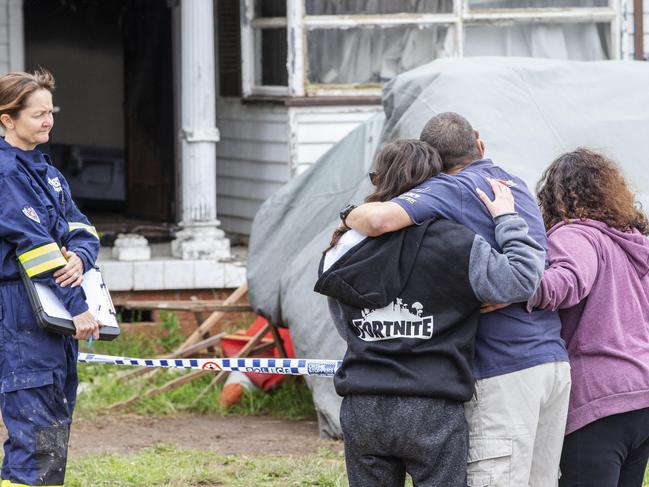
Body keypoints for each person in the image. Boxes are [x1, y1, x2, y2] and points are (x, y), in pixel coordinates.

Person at [344, 113, 571, 486]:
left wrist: (347, 215)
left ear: (432, 162)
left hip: (501, 366)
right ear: (479, 143)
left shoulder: (450, 188)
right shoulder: (513, 183)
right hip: (549, 359)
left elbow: (379, 221)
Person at [0, 70, 100, 486]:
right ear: (7, 119)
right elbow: (36, 248)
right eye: (38, 114)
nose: (48, 121)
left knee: (51, 425)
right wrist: (79, 310)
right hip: (22, 312)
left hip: (50, 308)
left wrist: (79, 255)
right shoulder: (5, 176)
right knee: (36, 436)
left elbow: (83, 228)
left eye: (50, 112)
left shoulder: (48, 173)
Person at [528, 148, 649, 487]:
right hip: (640, 395)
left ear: (557, 196)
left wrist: (511, 283)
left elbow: (564, 282)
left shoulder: (575, 234)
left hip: (598, 400)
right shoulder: (633, 245)